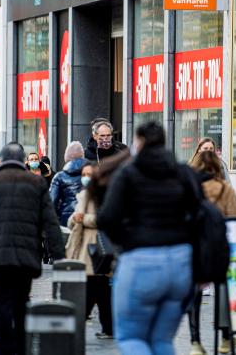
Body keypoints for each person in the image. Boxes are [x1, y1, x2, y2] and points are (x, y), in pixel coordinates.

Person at [98, 122, 197, 354]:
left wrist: (124, 242)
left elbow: (107, 218)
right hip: (181, 263)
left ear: (139, 142)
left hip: (140, 260)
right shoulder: (183, 173)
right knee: (162, 340)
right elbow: (200, 214)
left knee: (132, 338)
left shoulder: (128, 174)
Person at [0, 142, 65, 355]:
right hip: (26, 257)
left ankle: (6, 350)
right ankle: (21, 346)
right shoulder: (36, 183)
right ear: (23, 161)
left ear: (1, 160)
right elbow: (51, 222)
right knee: (21, 302)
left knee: (1, 305)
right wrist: (60, 258)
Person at [187, 150, 236, 355]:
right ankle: (226, 338)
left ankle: (195, 342)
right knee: (223, 291)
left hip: (193, 248)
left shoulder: (188, 190)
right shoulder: (224, 189)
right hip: (218, 247)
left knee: (195, 294)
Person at [66, 162, 115, 340]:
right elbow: (73, 222)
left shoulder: (103, 195)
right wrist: (74, 219)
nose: (86, 177)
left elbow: (106, 219)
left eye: (89, 174)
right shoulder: (83, 194)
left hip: (96, 247)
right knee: (97, 289)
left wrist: (84, 218)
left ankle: (81, 323)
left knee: (95, 289)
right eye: (84, 174)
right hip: (83, 247)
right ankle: (107, 327)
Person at [50, 142, 87, 226]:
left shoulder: (59, 176)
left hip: (66, 219)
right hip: (87, 218)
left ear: (67, 157)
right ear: (83, 155)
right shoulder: (93, 172)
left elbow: (52, 203)